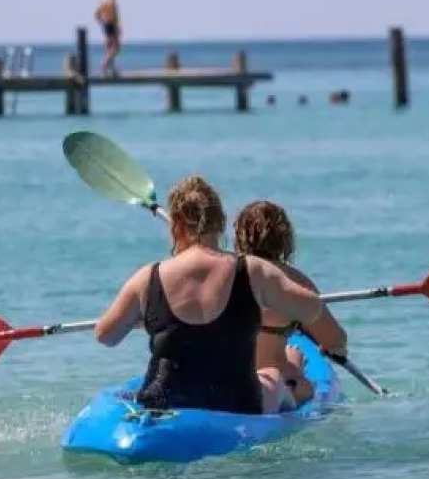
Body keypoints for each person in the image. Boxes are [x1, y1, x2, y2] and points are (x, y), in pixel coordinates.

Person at [93, 175, 349, 414]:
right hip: (237, 404)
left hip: (163, 400)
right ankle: (289, 411)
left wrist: (148, 317)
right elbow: (312, 309)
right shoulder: (252, 270)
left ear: (175, 229)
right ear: (222, 224)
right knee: (272, 375)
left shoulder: (148, 276)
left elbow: (105, 336)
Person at [234, 198, 323, 406]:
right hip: (278, 379)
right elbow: (334, 339)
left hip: (230, 379)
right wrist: (296, 362)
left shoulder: (223, 274)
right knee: (302, 376)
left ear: (239, 236)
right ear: (285, 239)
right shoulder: (296, 282)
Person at [94, 0, 122, 77]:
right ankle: (104, 66)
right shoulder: (113, 3)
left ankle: (112, 70)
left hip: (106, 25)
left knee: (109, 47)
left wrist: (102, 22)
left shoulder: (103, 3)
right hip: (111, 25)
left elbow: (96, 14)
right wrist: (117, 28)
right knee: (115, 48)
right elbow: (115, 17)